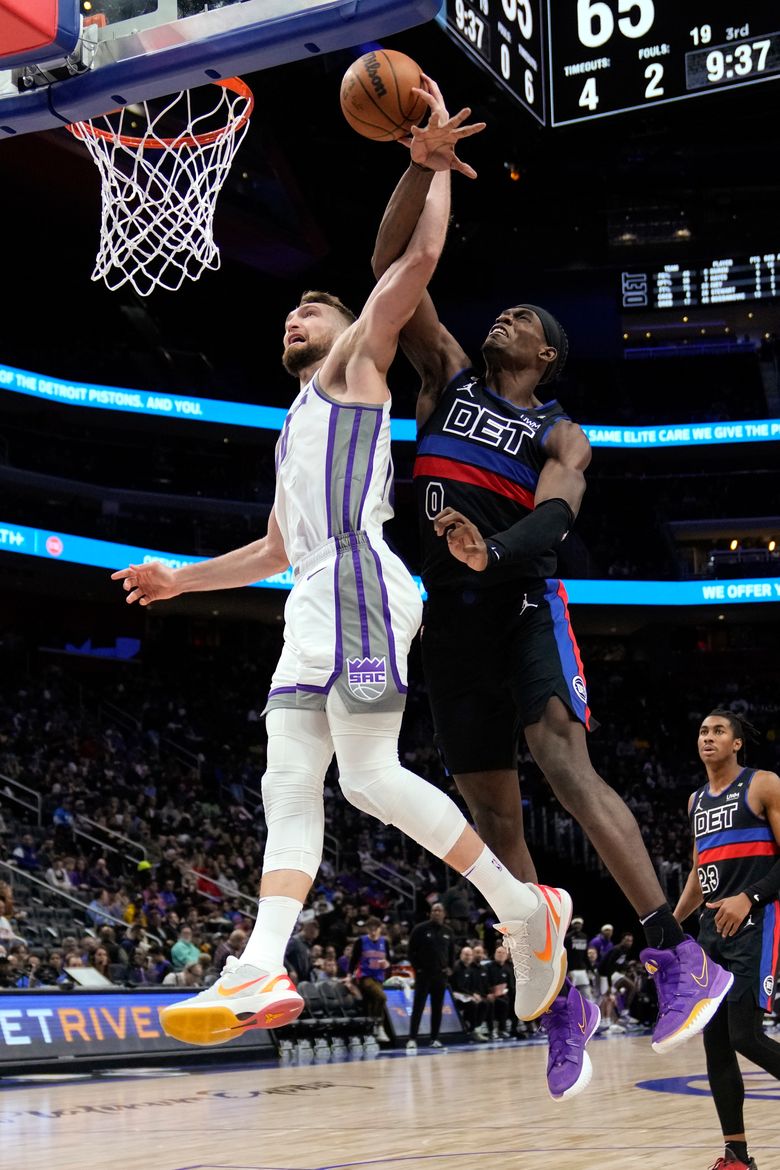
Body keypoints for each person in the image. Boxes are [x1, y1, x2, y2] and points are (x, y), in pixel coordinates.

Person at [111, 80, 573, 1049]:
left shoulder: (355, 363)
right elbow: (277, 550)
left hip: (363, 580)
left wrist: (428, 164)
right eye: (290, 314)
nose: (297, 319)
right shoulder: (291, 428)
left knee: (363, 777)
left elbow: (421, 257)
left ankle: (527, 910)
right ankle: (266, 964)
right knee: (289, 783)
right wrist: (178, 578)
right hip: (314, 592)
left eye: (312, 310)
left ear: (345, 329)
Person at [370, 77, 732, 1100]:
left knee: (563, 762)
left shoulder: (558, 429)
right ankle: (561, 990)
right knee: (493, 821)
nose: (511, 315)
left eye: (527, 317)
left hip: (525, 601)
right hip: (448, 623)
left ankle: (672, 949)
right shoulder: (444, 375)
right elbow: (391, 264)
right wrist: (419, 164)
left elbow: (562, 509)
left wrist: (503, 549)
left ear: (547, 356)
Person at [674, 710, 780, 1170]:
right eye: (702, 731)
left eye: (718, 731)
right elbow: (701, 871)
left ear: (737, 743)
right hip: (711, 931)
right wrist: (670, 922)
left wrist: (749, 896)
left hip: (758, 921)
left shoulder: (763, 784)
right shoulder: (696, 800)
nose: (708, 738)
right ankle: (736, 1155)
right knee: (715, 1042)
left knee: (745, 1035)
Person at [406, 901, 455, 1051]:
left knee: (437, 1008)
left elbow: (452, 953)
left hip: (440, 976)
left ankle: (434, 1038)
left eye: (439, 910)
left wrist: (450, 968)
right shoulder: (420, 929)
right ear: (430, 913)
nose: (436, 913)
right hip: (423, 976)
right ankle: (412, 1039)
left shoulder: (448, 932)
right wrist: (417, 969)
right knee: (418, 1007)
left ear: (444, 914)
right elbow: (410, 951)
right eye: (434, 910)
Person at [349, 916, 390, 1040]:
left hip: (379, 977)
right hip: (365, 977)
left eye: (375, 928)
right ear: (367, 929)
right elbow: (354, 959)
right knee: (382, 997)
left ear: (379, 929)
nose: (373, 931)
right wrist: (349, 975)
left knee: (373, 1003)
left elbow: (389, 961)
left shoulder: (385, 942)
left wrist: (387, 965)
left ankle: (372, 1030)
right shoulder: (360, 941)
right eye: (370, 928)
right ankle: (379, 1026)